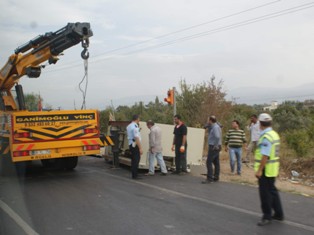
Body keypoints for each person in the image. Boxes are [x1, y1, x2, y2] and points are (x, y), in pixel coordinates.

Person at [254, 113, 284, 226]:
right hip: (273, 168)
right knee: (272, 191)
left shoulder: (266, 137)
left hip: (266, 169)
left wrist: (259, 170)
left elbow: (265, 156)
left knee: (265, 193)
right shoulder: (274, 134)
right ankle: (279, 214)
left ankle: (267, 216)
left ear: (261, 124)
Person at [202, 115, 222, 184]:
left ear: (210, 120)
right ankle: (216, 176)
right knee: (216, 162)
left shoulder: (215, 127)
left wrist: (216, 145)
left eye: (208, 120)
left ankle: (209, 178)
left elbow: (217, 136)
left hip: (214, 146)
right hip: (217, 146)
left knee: (209, 162)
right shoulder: (216, 126)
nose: (208, 121)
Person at [126, 115, 143, 180]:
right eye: (139, 119)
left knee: (133, 160)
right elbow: (136, 137)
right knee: (136, 160)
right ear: (137, 119)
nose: (139, 120)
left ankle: (134, 174)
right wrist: (140, 148)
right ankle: (135, 175)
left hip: (131, 144)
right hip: (135, 144)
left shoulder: (129, 126)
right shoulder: (135, 126)